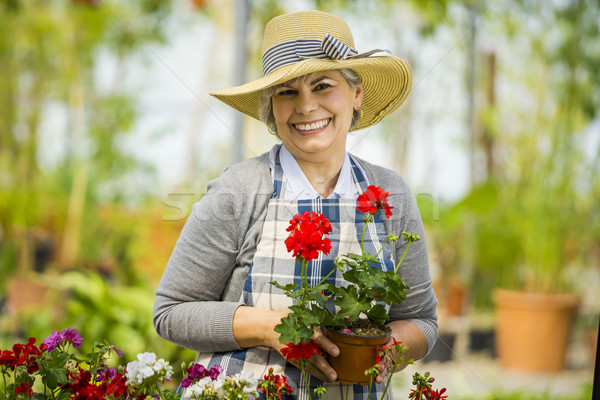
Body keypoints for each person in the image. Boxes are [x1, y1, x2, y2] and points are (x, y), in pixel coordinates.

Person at [153, 10, 437, 400]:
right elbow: (170, 313)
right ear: (271, 107)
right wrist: (267, 326)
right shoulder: (241, 188)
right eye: (287, 91)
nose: (305, 106)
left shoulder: (391, 192)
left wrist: (389, 349)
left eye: (322, 86)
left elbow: (422, 320)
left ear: (357, 94)